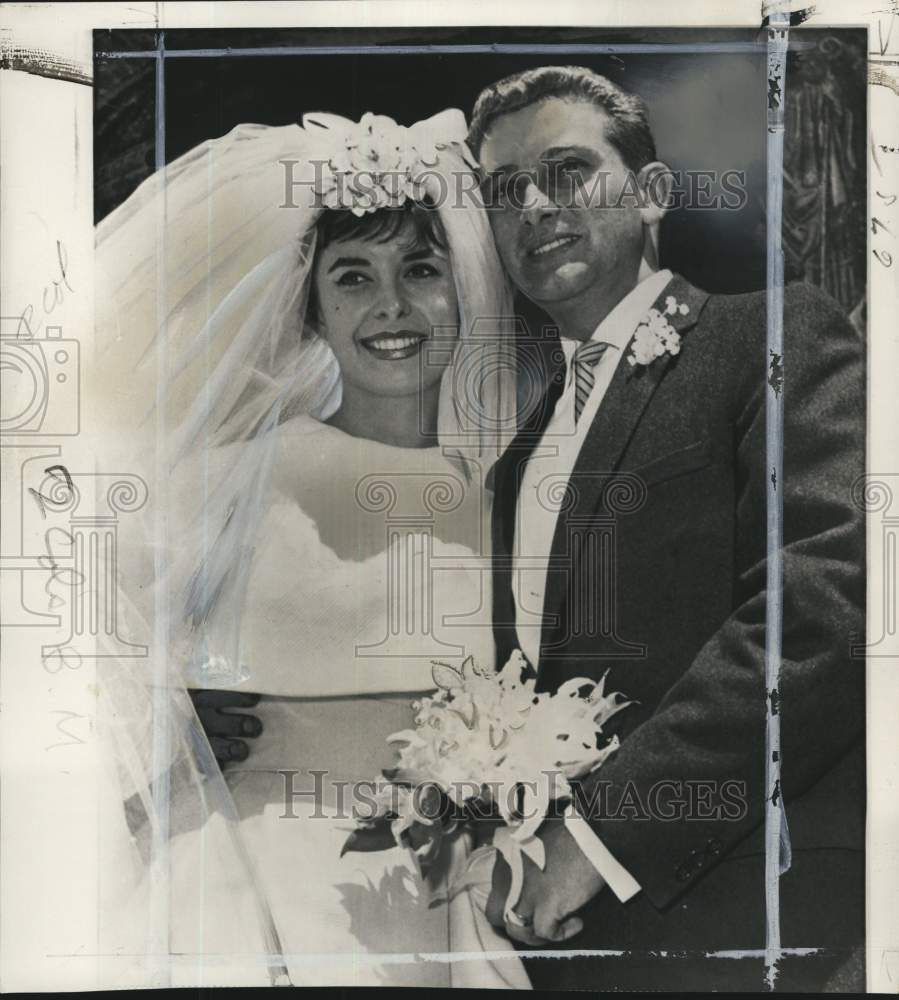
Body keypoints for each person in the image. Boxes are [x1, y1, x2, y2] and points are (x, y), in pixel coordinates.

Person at [93, 109, 530, 988]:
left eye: (420, 271)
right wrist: (161, 725)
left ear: (466, 288)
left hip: (449, 905)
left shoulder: (513, 493)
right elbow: (67, 645)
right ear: (313, 309)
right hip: (248, 896)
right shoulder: (221, 481)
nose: (392, 307)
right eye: (353, 278)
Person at [468, 66, 865, 992]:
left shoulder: (768, 337)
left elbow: (827, 606)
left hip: (749, 911)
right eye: (504, 190)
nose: (534, 205)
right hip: (565, 937)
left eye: (566, 170)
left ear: (650, 195)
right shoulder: (517, 452)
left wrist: (606, 833)